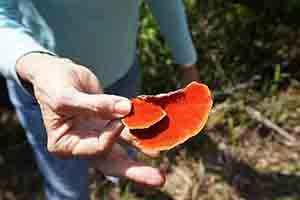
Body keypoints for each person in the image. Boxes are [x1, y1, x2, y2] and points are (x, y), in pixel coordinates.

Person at [0, 0, 199, 199]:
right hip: (45, 97)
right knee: (68, 187)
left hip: (122, 75)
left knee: (124, 147)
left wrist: (187, 63)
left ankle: (118, 182)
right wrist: (38, 68)